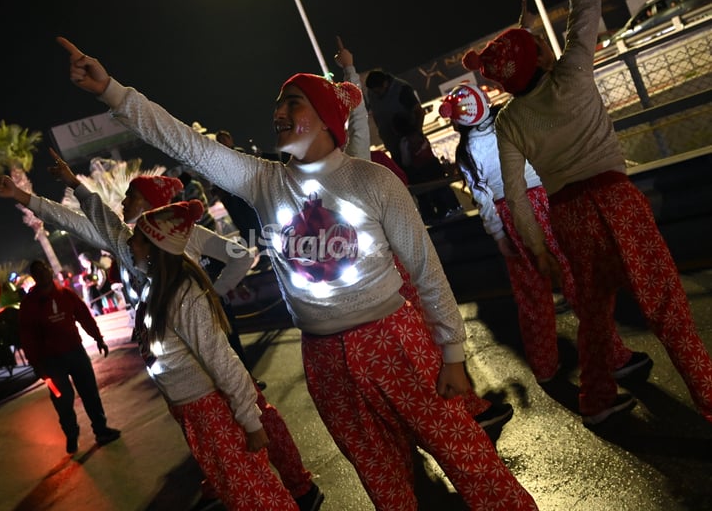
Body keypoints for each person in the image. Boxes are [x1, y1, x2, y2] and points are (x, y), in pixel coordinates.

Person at [58, 37, 538, 509]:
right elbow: (186, 143)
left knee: (470, 461)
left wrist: (452, 352)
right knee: (383, 483)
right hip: (324, 360)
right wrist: (113, 94)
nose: (279, 113)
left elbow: (425, 269)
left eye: (293, 103)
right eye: (277, 104)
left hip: (396, 341)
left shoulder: (370, 179)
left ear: (328, 118)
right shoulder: (264, 181)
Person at [461, 0, 712, 427]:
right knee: (664, 304)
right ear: (538, 57)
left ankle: (595, 399)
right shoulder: (573, 73)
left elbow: (515, 195)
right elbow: (586, 10)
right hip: (617, 201)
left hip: (569, 217)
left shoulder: (510, 121)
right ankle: (707, 393)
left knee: (595, 316)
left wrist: (538, 249)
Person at [335, 39, 515, 429]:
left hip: (375, 290)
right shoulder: (365, 166)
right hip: (395, 277)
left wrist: (349, 72)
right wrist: (349, 71)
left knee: (413, 357)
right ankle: (464, 412)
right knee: (429, 344)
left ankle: (445, 413)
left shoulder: (325, 180)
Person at [0, 160, 265, 389]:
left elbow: (241, 257)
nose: (124, 202)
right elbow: (78, 221)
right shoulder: (127, 243)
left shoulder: (190, 234)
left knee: (239, 405)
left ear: (150, 205)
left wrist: (213, 293)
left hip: (208, 350)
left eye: (132, 196)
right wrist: (22, 195)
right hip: (176, 372)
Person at [439, 82, 651, 384]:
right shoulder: (509, 125)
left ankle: (544, 366)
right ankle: (614, 356)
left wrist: (499, 236)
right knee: (577, 284)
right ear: (485, 104)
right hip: (541, 205)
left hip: (509, 217)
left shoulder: (467, 153)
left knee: (532, 299)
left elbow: (483, 199)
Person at [128, 200, 323, 510]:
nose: (129, 243)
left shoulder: (183, 295)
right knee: (241, 492)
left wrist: (250, 421)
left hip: (209, 411)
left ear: (155, 246)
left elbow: (220, 359)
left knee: (254, 495)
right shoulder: (155, 291)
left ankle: (301, 488)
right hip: (193, 413)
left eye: (137, 237)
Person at [18, 259, 121, 453]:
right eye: (37, 272)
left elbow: (84, 316)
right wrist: (36, 365)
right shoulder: (29, 306)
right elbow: (27, 338)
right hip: (51, 362)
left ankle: (101, 430)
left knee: (90, 393)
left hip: (76, 353)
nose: (42, 274)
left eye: (44, 269)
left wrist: (98, 338)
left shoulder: (65, 295)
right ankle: (71, 434)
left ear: (49, 271)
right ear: (34, 278)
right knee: (62, 401)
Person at [365, 68, 463, 224]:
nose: (377, 94)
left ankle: (450, 209)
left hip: (415, 146)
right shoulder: (372, 93)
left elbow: (419, 111)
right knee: (413, 182)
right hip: (395, 146)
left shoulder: (402, 89)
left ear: (385, 83)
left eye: (379, 90)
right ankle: (429, 214)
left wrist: (416, 135)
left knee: (432, 177)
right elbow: (377, 116)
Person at [77, 251, 107, 315]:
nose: (81, 264)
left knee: (99, 309)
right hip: (93, 294)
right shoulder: (87, 270)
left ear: (86, 260)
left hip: (100, 293)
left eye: (82, 262)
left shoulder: (97, 267)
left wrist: (95, 287)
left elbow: (102, 279)